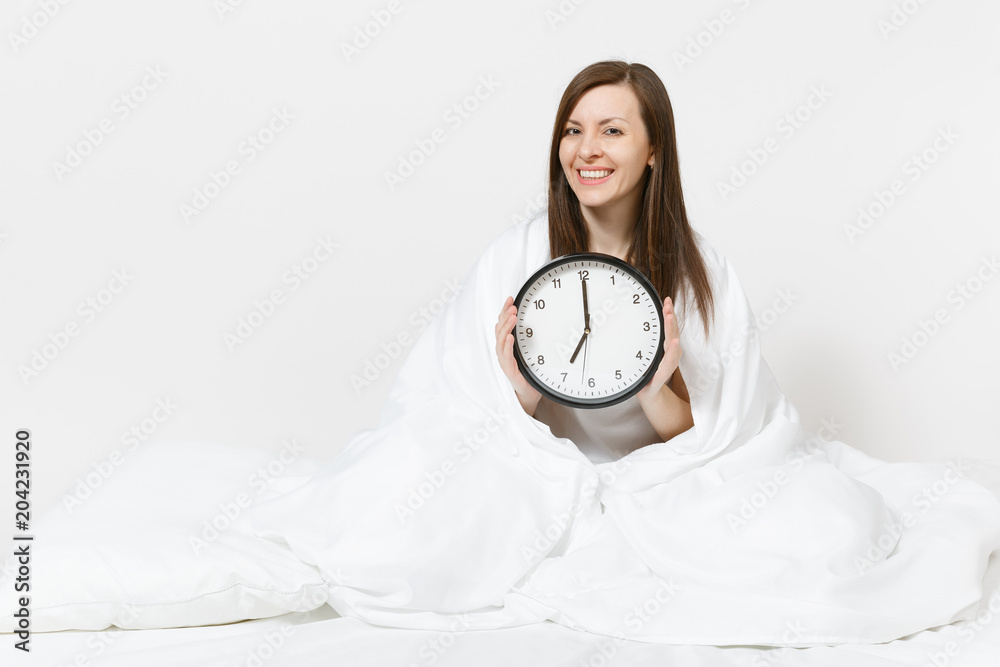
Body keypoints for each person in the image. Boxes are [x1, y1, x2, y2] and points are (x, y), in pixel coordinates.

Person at [494, 60, 710, 463]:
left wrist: (652, 391)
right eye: (573, 131)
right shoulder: (516, 253)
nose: (587, 150)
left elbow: (716, 435)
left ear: (653, 149)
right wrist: (523, 394)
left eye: (612, 131)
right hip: (544, 469)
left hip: (654, 476)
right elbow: (465, 415)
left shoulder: (697, 272)